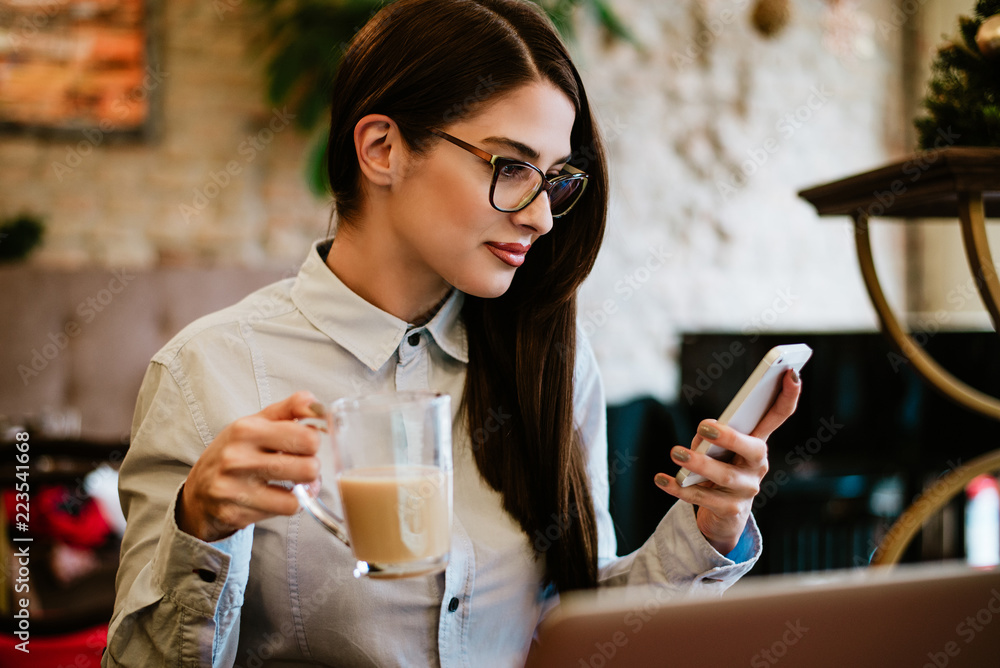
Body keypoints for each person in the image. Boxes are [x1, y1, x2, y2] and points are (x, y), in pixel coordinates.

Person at [103, 0, 801, 666]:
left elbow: (577, 629)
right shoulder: (208, 370)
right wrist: (199, 527)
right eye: (511, 167)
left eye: (554, 179)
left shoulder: (549, 359)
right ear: (381, 148)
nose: (541, 217)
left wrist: (710, 529)